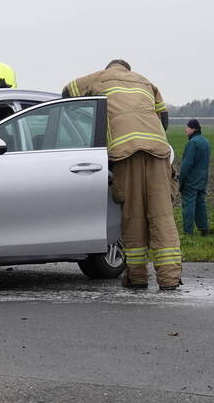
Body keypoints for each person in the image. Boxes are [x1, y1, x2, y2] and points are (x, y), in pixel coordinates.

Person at [63, 59, 182, 291]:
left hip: (125, 154)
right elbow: (164, 119)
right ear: (128, 69)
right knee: (162, 217)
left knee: (133, 216)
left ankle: (137, 277)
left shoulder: (99, 78)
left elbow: (68, 92)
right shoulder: (146, 82)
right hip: (158, 152)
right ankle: (170, 278)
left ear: (110, 68)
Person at [179, 119, 212, 236]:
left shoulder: (192, 143)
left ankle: (188, 231)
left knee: (188, 205)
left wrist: (181, 179)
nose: (186, 129)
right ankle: (204, 228)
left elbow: (187, 164)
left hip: (191, 180)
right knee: (200, 204)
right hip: (203, 178)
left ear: (193, 129)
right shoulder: (205, 141)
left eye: (187, 127)